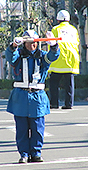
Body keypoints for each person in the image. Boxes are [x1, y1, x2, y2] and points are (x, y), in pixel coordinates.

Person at [5, 29, 59, 164]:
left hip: (37, 97)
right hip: (20, 97)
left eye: (34, 43)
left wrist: (53, 45)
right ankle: (23, 154)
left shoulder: (43, 56)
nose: (32, 45)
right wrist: (13, 46)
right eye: (28, 43)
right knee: (22, 129)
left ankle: (36, 153)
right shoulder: (18, 56)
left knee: (37, 128)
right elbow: (10, 57)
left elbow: (53, 56)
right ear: (24, 43)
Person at [48, 10, 80, 109]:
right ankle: (69, 104)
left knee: (53, 82)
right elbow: (77, 42)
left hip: (58, 59)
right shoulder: (74, 29)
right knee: (69, 83)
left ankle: (54, 103)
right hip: (72, 58)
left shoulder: (55, 29)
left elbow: (51, 44)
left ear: (58, 20)